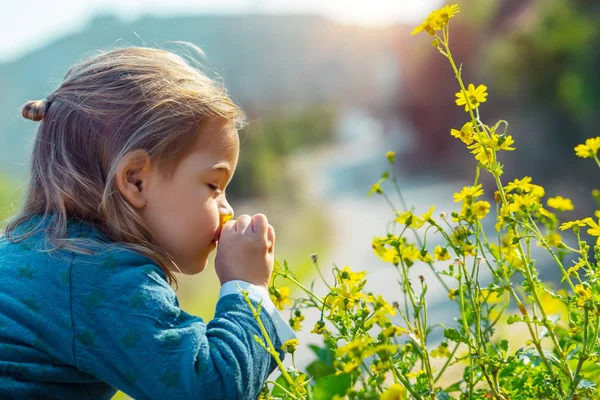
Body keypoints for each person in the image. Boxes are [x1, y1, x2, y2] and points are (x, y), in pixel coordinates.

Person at [0, 45, 296, 400]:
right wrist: (248, 288)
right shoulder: (97, 273)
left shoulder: (29, 254)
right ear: (136, 180)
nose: (227, 209)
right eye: (214, 186)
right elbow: (209, 389)